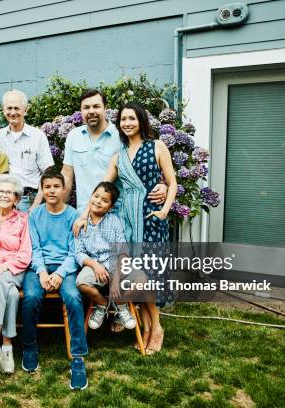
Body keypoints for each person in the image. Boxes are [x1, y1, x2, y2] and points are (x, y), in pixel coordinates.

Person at [104, 101, 177, 354]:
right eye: (123, 119)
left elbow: (173, 182)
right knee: (138, 277)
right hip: (128, 222)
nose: (127, 123)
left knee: (152, 276)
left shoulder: (157, 146)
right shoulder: (118, 157)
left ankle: (156, 328)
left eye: (132, 118)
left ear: (141, 120)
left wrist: (164, 209)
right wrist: (87, 215)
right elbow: (105, 189)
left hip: (152, 220)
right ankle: (145, 327)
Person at [21, 170, 88, 390]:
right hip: (39, 267)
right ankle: (29, 347)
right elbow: (35, 248)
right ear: (42, 189)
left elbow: (74, 250)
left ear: (63, 189)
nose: (51, 190)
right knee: (30, 297)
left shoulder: (73, 215)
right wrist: (41, 272)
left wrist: (59, 273)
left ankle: (78, 357)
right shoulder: (35, 215)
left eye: (56, 186)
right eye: (47, 186)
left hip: (66, 268)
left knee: (73, 297)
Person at [61, 89, 167, 214]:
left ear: (105, 108)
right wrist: (56, 209)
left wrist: (163, 184)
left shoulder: (122, 135)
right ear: (81, 110)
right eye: (86, 107)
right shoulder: (74, 136)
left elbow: (144, 162)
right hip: (84, 213)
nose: (91, 111)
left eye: (96, 106)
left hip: (117, 213)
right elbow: (67, 175)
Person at [0, 174, 32, 375]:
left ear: (17, 199)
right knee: (9, 293)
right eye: (1, 191)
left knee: (0, 281)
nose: (4, 195)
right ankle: (7, 346)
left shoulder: (23, 219)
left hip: (14, 269)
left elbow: (26, 252)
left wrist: (7, 266)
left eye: (9, 192)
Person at [75, 182, 136, 331]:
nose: (98, 201)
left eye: (104, 200)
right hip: (94, 265)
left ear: (111, 207)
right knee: (81, 282)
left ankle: (120, 304)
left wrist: (115, 279)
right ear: (91, 197)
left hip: (115, 263)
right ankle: (102, 303)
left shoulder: (114, 221)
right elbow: (78, 252)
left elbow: (122, 250)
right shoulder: (81, 222)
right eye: (96, 196)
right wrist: (95, 265)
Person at [0, 90, 54, 212]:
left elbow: (48, 172)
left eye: (17, 108)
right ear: (3, 110)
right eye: (9, 108)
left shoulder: (38, 136)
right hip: (5, 198)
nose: (12, 112)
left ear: (25, 110)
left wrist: (36, 204)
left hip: (29, 198)